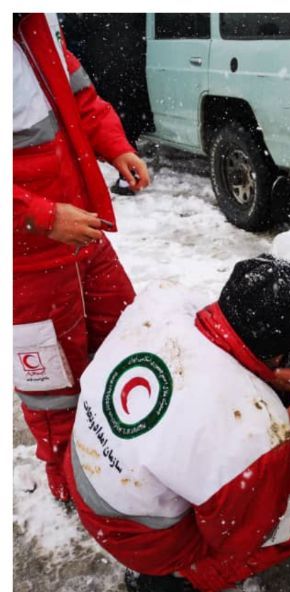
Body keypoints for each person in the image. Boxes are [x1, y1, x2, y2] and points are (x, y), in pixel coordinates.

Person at [66, 256, 290, 592]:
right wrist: (282, 431)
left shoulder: (164, 301)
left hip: (82, 470)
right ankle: (181, 580)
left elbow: (207, 360)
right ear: (282, 349)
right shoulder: (256, 435)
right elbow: (236, 535)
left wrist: (262, 375)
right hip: (137, 536)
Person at [13, 12, 149, 502]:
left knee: (129, 340)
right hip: (24, 266)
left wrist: (115, 147)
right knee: (54, 392)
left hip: (83, 232)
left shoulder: (35, 19)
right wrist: (43, 217)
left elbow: (79, 98)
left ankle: (130, 449)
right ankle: (79, 487)